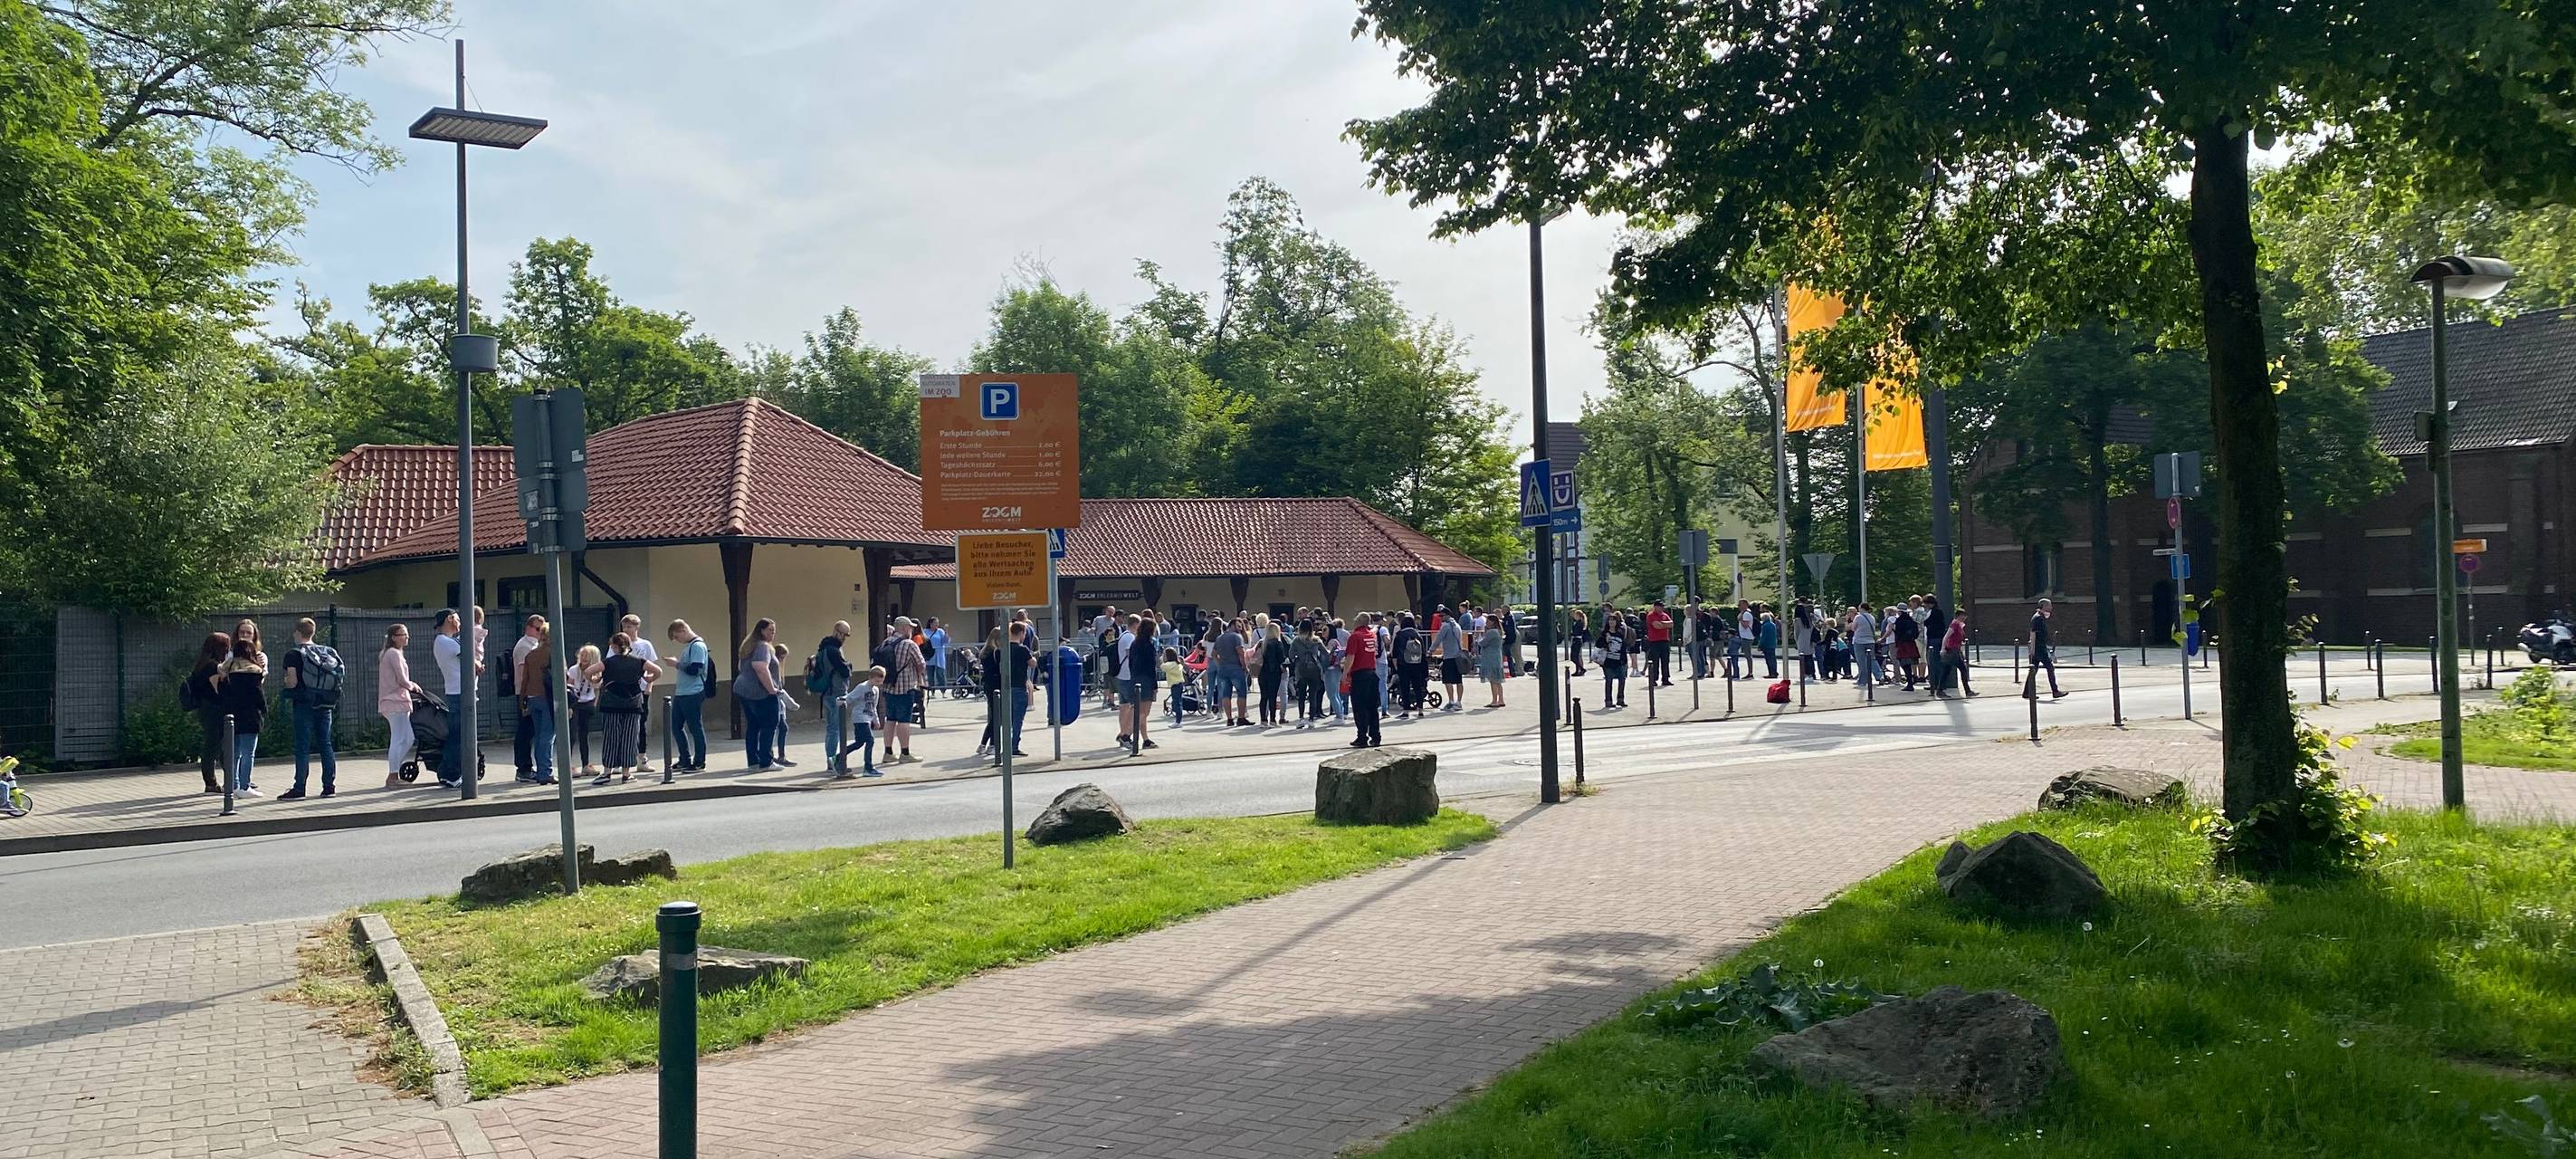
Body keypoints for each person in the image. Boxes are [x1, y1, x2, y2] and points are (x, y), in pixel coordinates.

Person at [277, 618, 345, 800]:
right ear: (312, 633)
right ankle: (329, 787)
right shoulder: (327, 652)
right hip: (325, 703)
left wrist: (285, 682)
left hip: (304, 704)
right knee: (326, 744)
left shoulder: (293, 654)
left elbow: (292, 683)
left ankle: (299, 788)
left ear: (297, 633)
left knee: (302, 746)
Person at [590, 632, 659, 785]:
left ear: (614, 646)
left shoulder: (608, 662)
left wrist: (596, 680)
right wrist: (649, 678)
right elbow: (657, 671)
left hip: (612, 704)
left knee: (611, 738)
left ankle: (607, 772)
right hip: (633, 704)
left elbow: (589, 671)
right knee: (629, 738)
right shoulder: (639, 662)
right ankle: (626, 774)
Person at [216, 633, 268, 796]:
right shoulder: (254, 672)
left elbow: (223, 692)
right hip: (251, 716)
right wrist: (264, 710)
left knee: (234, 753)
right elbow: (258, 695)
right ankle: (245, 786)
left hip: (231, 716)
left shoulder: (228, 669)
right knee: (249, 753)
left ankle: (233, 785)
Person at [514, 618, 561, 786]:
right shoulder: (554, 653)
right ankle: (545, 772)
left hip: (532, 698)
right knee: (548, 736)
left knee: (540, 736)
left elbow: (524, 679)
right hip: (548, 698)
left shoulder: (531, 654)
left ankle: (542, 771)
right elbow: (561, 677)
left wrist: (522, 701)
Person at [186, 632, 231, 794]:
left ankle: (229, 779)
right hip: (214, 710)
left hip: (205, 709)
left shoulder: (200, 665)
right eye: (227, 646)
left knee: (217, 745)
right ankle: (211, 782)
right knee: (214, 746)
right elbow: (217, 689)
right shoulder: (212, 666)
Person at [737, 618, 782, 771]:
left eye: (774, 631)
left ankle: (753, 760)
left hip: (744, 690)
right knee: (770, 724)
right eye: (770, 630)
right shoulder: (763, 646)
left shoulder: (748, 646)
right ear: (761, 631)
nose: (772, 634)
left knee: (753, 725)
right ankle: (766, 761)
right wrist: (771, 690)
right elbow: (760, 667)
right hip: (760, 692)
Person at [377, 625, 420, 788]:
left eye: (407, 635)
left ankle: (394, 771)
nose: (406, 638)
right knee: (399, 738)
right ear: (394, 637)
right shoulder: (393, 654)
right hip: (395, 702)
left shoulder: (390, 654)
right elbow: (402, 680)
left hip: (398, 702)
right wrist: (414, 686)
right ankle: (393, 776)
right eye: (403, 635)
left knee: (408, 738)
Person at [665, 619, 711, 772]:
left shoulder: (697, 646)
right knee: (676, 726)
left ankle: (699, 761)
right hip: (682, 692)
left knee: (695, 727)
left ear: (683, 631)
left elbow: (696, 670)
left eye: (676, 637)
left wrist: (677, 664)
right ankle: (684, 759)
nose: (677, 641)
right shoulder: (689, 647)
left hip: (693, 692)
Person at [882, 618, 928, 762]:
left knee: (890, 720)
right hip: (906, 687)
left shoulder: (886, 642)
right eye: (910, 627)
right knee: (903, 721)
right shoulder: (909, 644)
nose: (911, 630)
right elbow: (921, 664)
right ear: (904, 628)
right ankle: (905, 753)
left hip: (888, 687)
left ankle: (888, 752)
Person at [431, 609, 468, 787]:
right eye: (458, 619)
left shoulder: (443, 642)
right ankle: (453, 775)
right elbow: (471, 660)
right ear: (449, 619)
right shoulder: (448, 643)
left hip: (455, 691)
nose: (460, 623)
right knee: (460, 736)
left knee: (456, 735)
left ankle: (446, 772)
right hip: (461, 692)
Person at [812, 622, 854, 772]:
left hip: (826, 693)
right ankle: (834, 761)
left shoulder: (823, 648)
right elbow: (844, 671)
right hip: (836, 693)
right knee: (836, 729)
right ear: (837, 632)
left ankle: (830, 759)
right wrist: (849, 666)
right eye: (844, 634)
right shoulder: (834, 650)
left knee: (831, 728)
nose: (844, 638)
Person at [510, 614, 544, 781]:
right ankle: (523, 768)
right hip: (525, 692)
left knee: (529, 730)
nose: (540, 632)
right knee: (525, 730)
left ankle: (526, 767)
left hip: (531, 692)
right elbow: (524, 672)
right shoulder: (525, 646)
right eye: (538, 629)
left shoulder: (534, 644)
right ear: (529, 628)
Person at [837, 666, 885, 778]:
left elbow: (874, 706)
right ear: (870, 677)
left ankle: (838, 757)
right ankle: (868, 767)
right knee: (870, 740)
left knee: (859, 743)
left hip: (867, 718)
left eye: (881, 681)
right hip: (860, 718)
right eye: (877, 681)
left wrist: (876, 720)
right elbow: (850, 697)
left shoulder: (875, 690)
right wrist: (841, 700)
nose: (878, 683)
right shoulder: (862, 687)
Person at [1125, 611, 1162, 753]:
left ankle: (1145, 739)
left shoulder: (1135, 643)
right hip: (1146, 680)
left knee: (1139, 711)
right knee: (1143, 712)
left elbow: (1131, 663)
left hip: (1135, 678)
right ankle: (1126, 735)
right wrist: (1155, 685)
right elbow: (1151, 667)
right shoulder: (1148, 646)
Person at [1345, 612, 1384, 748]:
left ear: (1359, 621)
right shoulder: (1371, 635)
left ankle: (1362, 737)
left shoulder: (1355, 636)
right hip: (1372, 673)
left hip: (1359, 674)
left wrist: (1345, 674)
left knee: (1360, 706)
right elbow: (1374, 629)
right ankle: (1376, 736)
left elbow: (1350, 656)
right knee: (1372, 707)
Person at [1208, 616, 1251, 727]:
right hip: (1236, 668)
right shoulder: (1236, 637)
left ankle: (1229, 719)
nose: (1240, 628)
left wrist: (1219, 664)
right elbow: (1241, 653)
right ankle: (1241, 718)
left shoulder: (1219, 638)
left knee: (1226, 694)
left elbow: (1213, 654)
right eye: (1238, 626)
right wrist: (1245, 667)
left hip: (1223, 669)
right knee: (1242, 693)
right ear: (1232, 625)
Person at [568, 644, 602, 779]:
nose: (583, 658)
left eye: (587, 656)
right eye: (582, 655)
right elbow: (569, 687)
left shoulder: (597, 672)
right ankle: (568, 765)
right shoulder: (574, 670)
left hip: (587, 703)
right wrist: (569, 706)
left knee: (584, 735)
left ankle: (585, 765)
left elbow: (596, 688)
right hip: (575, 704)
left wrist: (594, 704)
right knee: (571, 735)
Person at [2026, 598, 2066, 699]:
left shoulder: (2039, 617)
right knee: (2050, 668)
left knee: (2033, 671)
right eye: (2049, 605)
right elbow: (2033, 635)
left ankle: (2027, 692)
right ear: (2043, 606)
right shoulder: (2038, 618)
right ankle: (2055, 691)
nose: (2051, 607)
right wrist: (2033, 650)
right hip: (2039, 649)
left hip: (2039, 648)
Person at [1292, 624, 1329, 726]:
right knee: (1313, 695)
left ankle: (1301, 718)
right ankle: (1311, 719)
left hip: (1301, 670)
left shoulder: (1296, 640)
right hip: (1315, 670)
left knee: (1302, 696)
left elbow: (1291, 654)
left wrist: (1297, 657)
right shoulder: (1316, 640)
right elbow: (1325, 653)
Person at [1432, 609, 1467, 712]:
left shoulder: (1446, 626)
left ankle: (1451, 701)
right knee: (1458, 680)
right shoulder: (1457, 625)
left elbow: (1438, 639)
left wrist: (1430, 651)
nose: (1441, 618)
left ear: (1447, 616)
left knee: (1448, 680)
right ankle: (1459, 702)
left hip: (1449, 657)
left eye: (1442, 616)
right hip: (1457, 656)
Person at [1256, 618, 1289, 725]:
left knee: (1263, 697)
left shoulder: (1262, 643)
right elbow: (1281, 659)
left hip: (1262, 672)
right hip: (1274, 672)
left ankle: (1263, 720)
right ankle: (1273, 720)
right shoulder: (1277, 643)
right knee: (1273, 696)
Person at [1939, 609, 1978, 698]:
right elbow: (1946, 637)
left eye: (1965, 616)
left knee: (1946, 670)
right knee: (1963, 669)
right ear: (1957, 616)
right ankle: (1967, 691)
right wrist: (1943, 648)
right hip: (1952, 651)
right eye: (1962, 616)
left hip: (1953, 650)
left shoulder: (1958, 625)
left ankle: (1940, 690)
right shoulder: (1955, 624)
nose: (1964, 618)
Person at [1598, 611, 1631, 708]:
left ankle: (1620, 699)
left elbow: (1623, 647)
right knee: (1609, 680)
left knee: (1622, 680)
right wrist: (1605, 640)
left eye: (1613, 620)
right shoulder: (1604, 633)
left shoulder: (1620, 633)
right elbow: (1598, 644)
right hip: (1608, 661)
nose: (1612, 622)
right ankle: (1608, 700)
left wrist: (1625, 661)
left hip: (1619, 660)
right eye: (1610, 620)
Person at [1888, 603, 1922, 692]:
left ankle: (1910, 682)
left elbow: (1898, 633)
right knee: (1909, 663)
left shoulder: (1899, 621)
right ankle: (1912, 678)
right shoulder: (1912, 621)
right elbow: (1916, 632)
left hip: (1903, 644)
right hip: (1911, 643)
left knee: (1904, 663)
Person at [1476, 613, 1506, 706]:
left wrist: (1480, 637)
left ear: (1493, 622)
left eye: (1488, 621)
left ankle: (1494, 701)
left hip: (1490, 657)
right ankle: (1501, 700)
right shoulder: (1498, 631)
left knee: (1493, 680)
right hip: (1497, 656)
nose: (1487, 623)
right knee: (1498, 680)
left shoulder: (1491, 632)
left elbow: (1482, 643)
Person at [1643, 599, 1674, 686]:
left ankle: (1665, 679)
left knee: (1665, 661)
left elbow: (1671, 624)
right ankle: (1653, 679)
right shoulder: (1651, 615)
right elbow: (1656, 626)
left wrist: (1662, 624)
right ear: (1655, 606)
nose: (1662, 608)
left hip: (1665, 640)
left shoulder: (1665, 615)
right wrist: (1665, 625)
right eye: (1660, 606)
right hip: (1654, 641)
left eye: (1663, 606)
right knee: (1654, 661)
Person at [925, 617, 952, 692]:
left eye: (938, 623)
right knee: (930, 675)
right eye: (935, 623)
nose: (937, 625)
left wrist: (946, 632)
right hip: (930, 656)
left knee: (940, 674)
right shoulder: (925, 632)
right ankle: (932, 691)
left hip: (939, 656)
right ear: (931, 624)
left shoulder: (940, 631)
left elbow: (946, 641)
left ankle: (943, 691)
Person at [1759, 608, 1781, 679]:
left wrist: (1760, 645)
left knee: (1769, 660)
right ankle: (1774, 672)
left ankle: (1771, 673)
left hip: (1767, 645)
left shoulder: (1765, 626)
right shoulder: (1773, 625)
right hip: (1773, 644)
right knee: (1773, 659)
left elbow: (1763, 637)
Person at [1567, 608, 1589, 676]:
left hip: (1577, 640)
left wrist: (1572, 633)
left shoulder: (1580, 623)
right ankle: (1578, 670)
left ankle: (1581, 669)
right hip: (1576, 640)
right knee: (1574, 656)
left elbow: (1577, 632)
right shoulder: (1577, 622)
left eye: (1575, 615)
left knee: (1575, 656)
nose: (1574, 616)